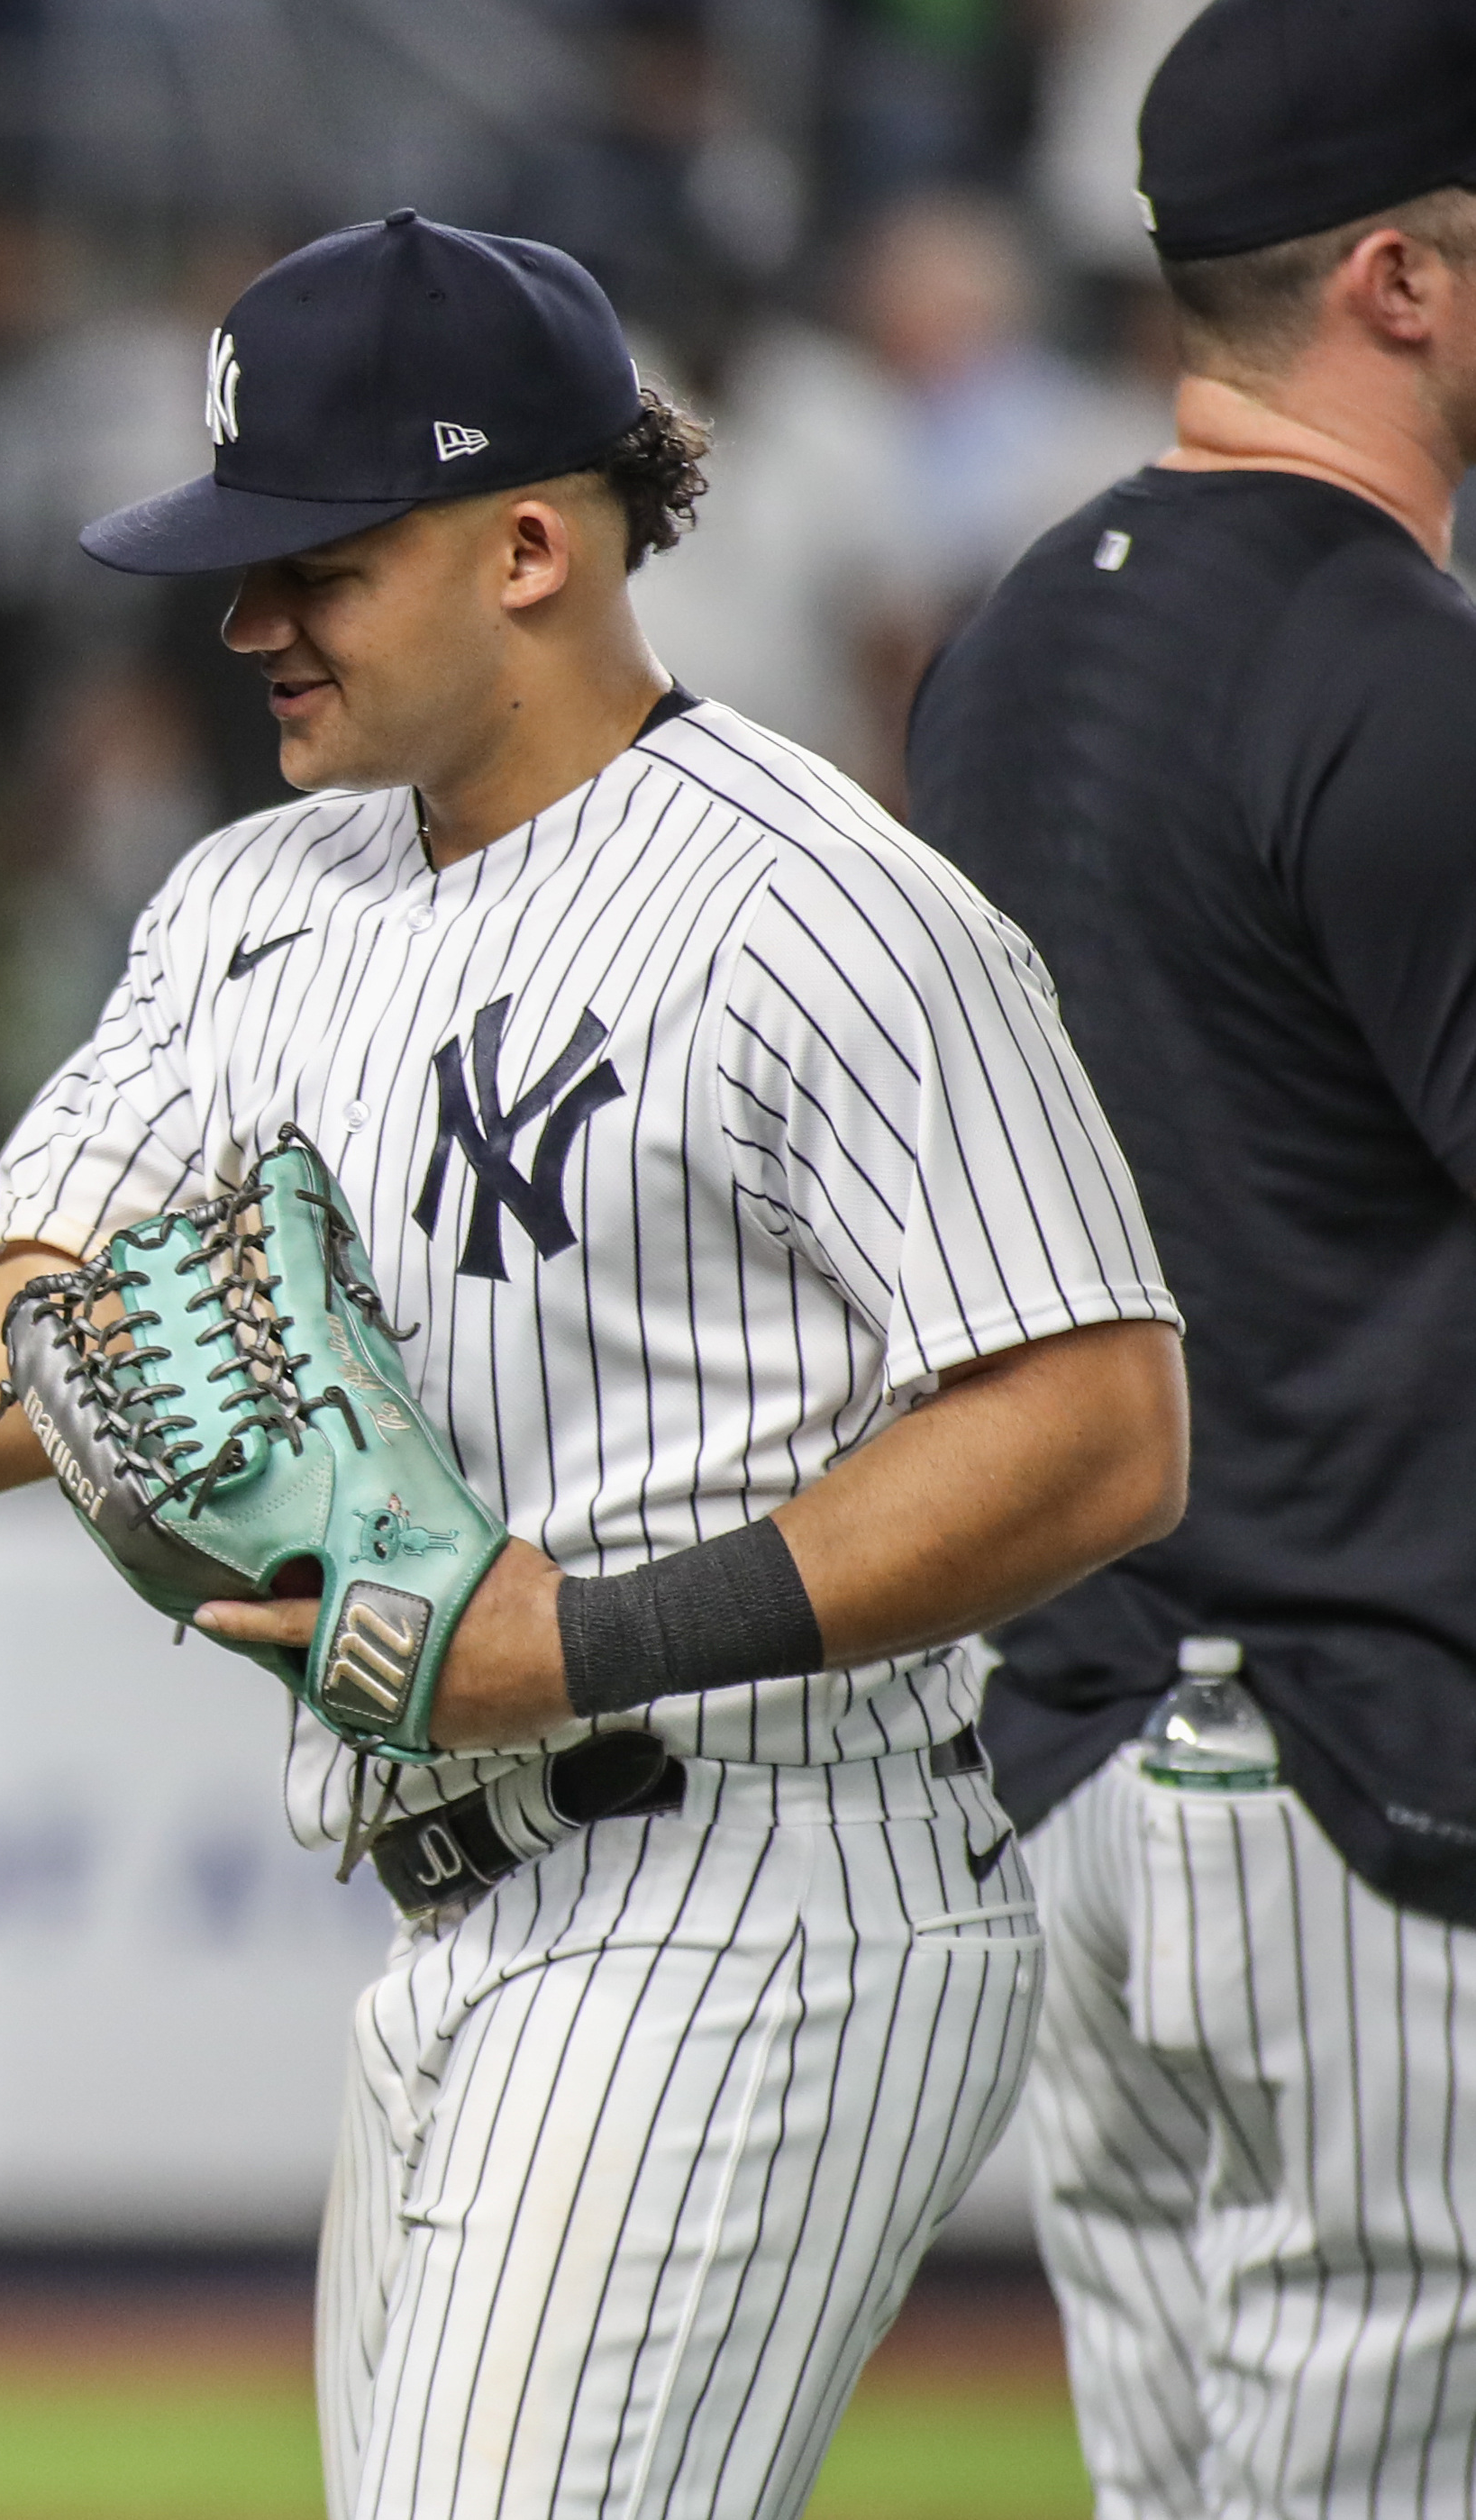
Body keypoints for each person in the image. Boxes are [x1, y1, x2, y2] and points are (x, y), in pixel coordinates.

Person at [0, 214, 1189, 2517]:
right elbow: (12, 1336)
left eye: (318, 560)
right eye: (239, 556)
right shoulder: (256, 900)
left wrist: (576, 1635)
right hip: (460, 1914)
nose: (246, 615)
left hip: (761, 1884)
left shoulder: (821, 912)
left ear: (528, 547)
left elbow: (1097, 1419)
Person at [905, 8, 1476, 2511]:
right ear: (1396, 280)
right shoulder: (1389, 674)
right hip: (1355, 1771)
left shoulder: (1001, 648)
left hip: (1080, 1757)